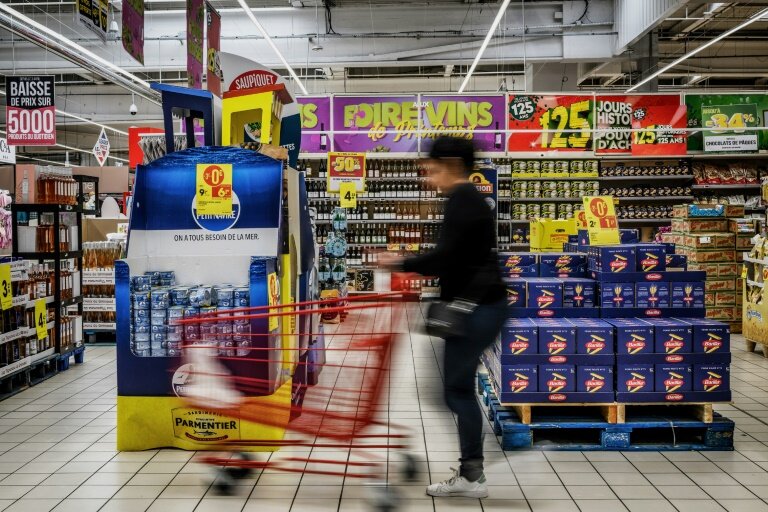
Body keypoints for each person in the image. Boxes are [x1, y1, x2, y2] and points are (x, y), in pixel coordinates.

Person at [380, 136, 507, 498]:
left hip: (478, 310)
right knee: (452, 391)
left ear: (451, 166)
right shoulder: (466, 200)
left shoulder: (463, 200)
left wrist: (400, 262)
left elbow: (446, 256)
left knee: (456, 392)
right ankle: (471, 470)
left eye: (432, 170)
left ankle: (471, 475)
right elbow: (456, 255)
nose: (429, 178)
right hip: (481, 306)